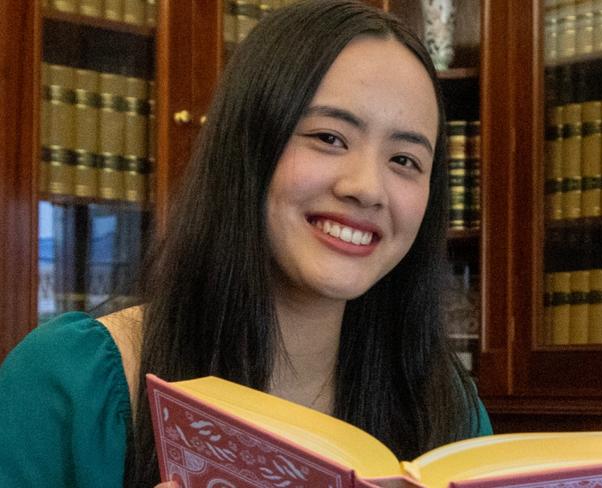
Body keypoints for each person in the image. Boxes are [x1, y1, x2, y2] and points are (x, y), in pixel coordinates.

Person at [0, 0, 492, 486]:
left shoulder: (448, 409)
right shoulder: (66, 385)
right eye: (329, 137)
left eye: (405, 160)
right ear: (246, 145)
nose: (366, 187)